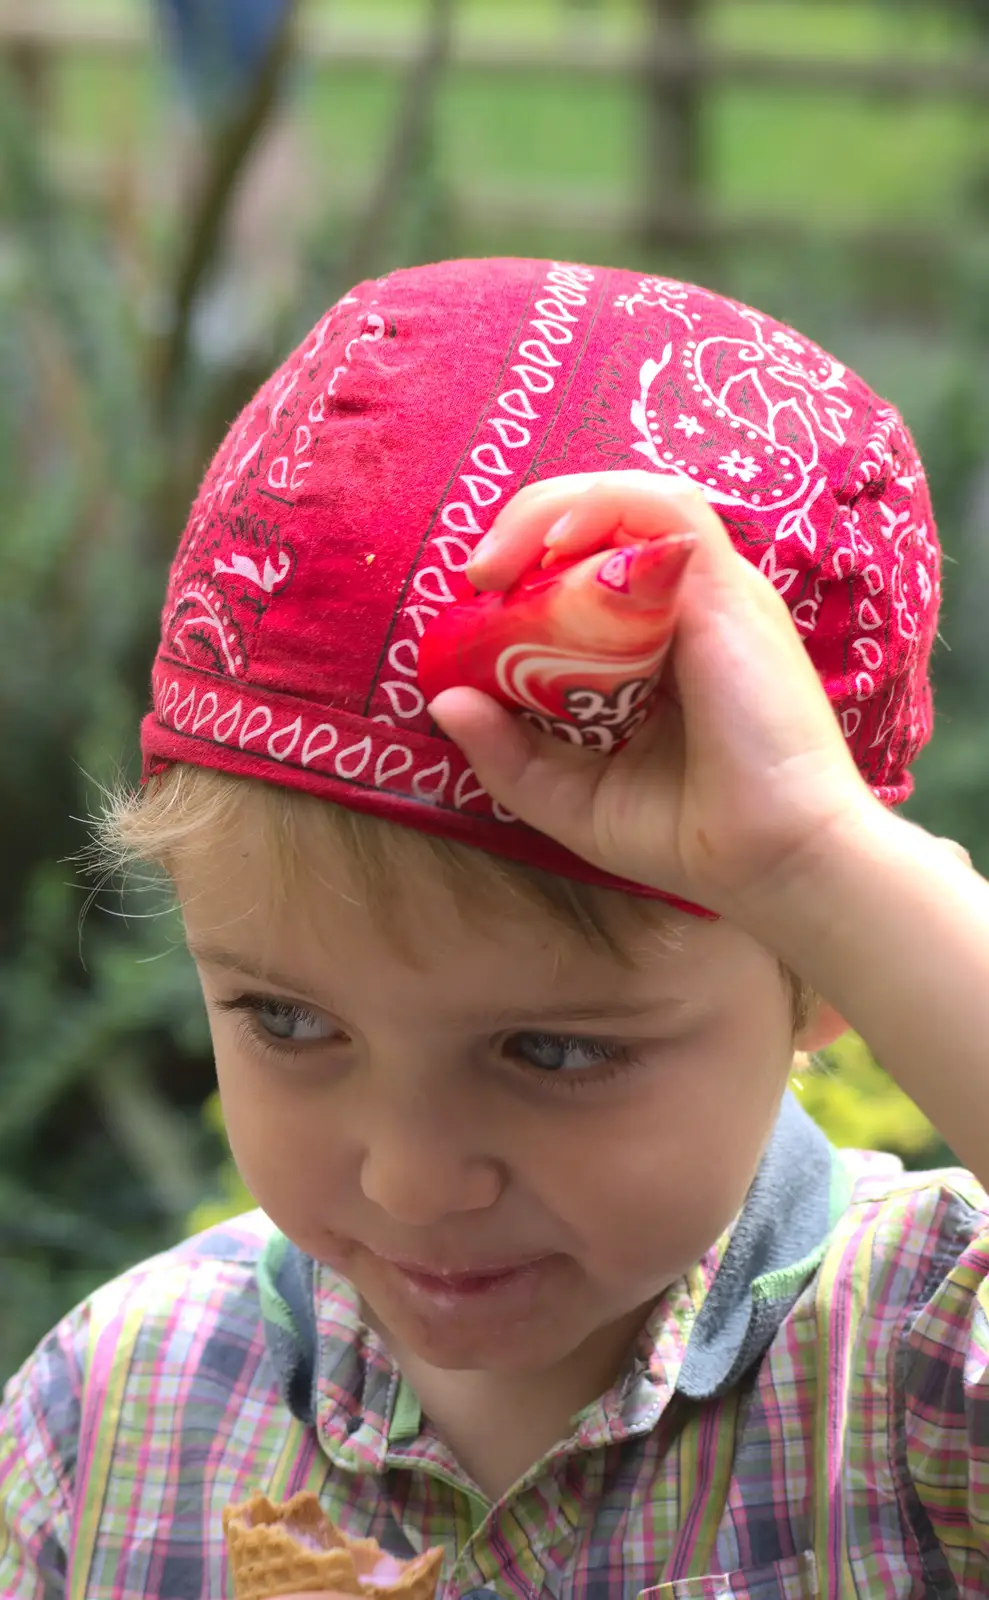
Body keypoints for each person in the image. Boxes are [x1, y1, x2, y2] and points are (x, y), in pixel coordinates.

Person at [2, 256, 988, 1600]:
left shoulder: (919, 1379)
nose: (412, 1182)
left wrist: (817, 857)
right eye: (289, 1022)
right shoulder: (114, 1420)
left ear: (819, 971)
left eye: (552, 1050)